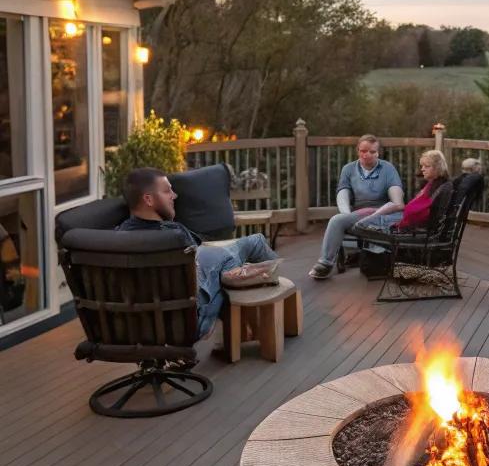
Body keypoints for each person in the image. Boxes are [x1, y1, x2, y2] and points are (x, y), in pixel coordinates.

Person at [118, 167, 277, 337]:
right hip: (192, 321)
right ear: (148, 200)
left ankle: (245, 326)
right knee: (254, 243)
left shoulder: (115, 238)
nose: (174, 195)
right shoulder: (174, 238)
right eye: (167, 191)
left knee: (230, 261)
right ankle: (279, 313)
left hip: (137, 328)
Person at [308, 134, 404, 280]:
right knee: (338, 220)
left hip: (382, 213)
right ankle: (326, 263)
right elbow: (343, 192)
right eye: (363, 151)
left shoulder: (387, 168)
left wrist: (378, 210)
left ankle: (336, 260)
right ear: (357, 150)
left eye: (372, 152)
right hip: (359, 213)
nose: (367, 155)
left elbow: (397, 201)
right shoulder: (349, 169)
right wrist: (346, 215)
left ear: (378, 153)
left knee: (338, 221)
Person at [356, 150, 451, 241]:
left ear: (437, 167)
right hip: (405, 220)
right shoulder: (433, 185)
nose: (422, 169)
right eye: (422, 166)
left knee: (361, 224)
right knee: (368, 218)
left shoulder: (437, 188)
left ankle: (372, 253)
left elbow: (421, 213)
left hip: (410, 227)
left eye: (427, 166)